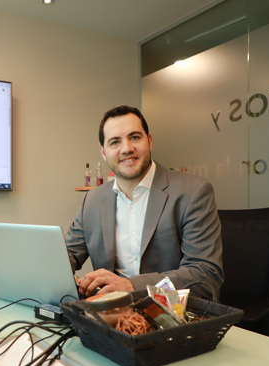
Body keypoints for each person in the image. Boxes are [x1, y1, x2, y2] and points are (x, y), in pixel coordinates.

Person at [65, 105, 223, 300]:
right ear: (103, 152)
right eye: (115, 142)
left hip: (171, 314)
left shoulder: (193, 192)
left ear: (149, 141)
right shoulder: (93, 200)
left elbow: (205, 275)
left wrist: (131, 285)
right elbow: (67, 256)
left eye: (134, 137)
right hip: (110, 313)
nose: (126, 149)